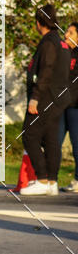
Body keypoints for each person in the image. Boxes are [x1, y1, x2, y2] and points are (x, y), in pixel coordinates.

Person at [20, 3, 71, 196]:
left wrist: (36, 97)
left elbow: (46, 71)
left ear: (39, 22)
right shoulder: (61, 43)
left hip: (46, 98)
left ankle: (41, 178)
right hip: (57, 99)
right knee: (51, 139)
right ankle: (52, 182)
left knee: (29, 135)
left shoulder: (49, 43)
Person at [59, 21, 78, 191]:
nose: (66, 35)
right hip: (60, 105)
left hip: (75, 106)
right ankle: (48, 179)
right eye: (66, 31)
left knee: (76, 143)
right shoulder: (63, 53)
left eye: (71, 33)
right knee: (54, 141)